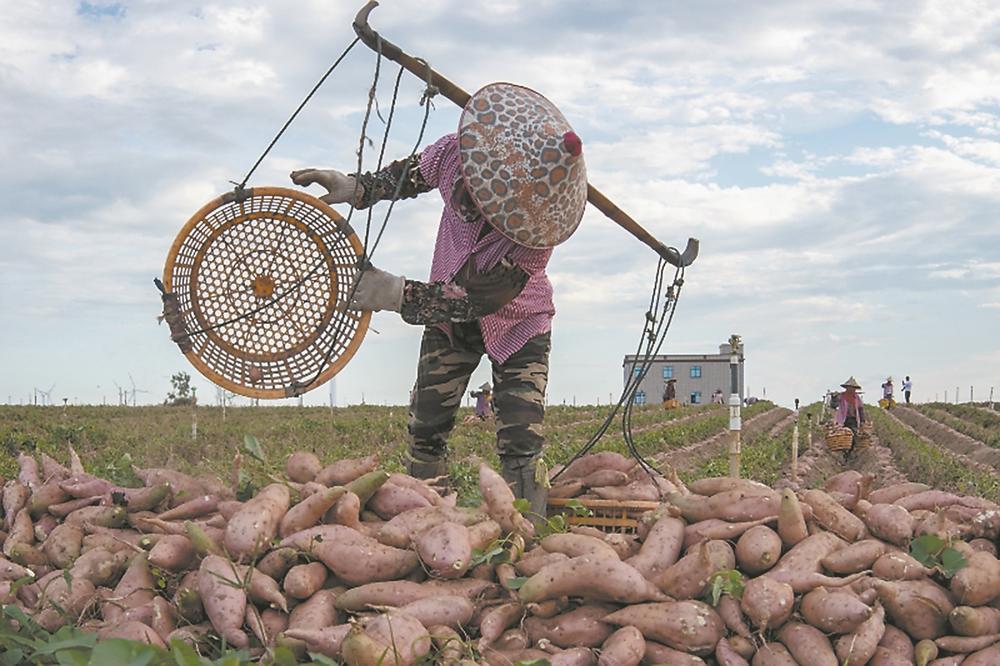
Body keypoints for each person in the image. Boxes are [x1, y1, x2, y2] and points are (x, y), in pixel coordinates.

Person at [290, 82, 587, 518]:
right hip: (449, 323)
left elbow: (474, 300)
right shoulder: (457, 153)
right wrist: (358, 187)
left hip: (519, 326)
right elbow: (409, 175)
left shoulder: (534, 236)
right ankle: (429, 518)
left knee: (521, 436)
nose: (475, 205)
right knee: (426, 425)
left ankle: (528, 528)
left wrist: (396, 293)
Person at [834, 376, 866, 451]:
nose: (852, 389)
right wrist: (834, 398)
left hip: (853, 419)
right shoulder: (842, 396)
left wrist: (862, 421)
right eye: (850, 388)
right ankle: (845, 452)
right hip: (843, 419)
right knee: (843, 436)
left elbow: (860, 409)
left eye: (853, 388)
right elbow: (834, 405)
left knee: (853, 435)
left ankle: (850, 451)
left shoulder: (856, 398)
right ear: (847, 388)